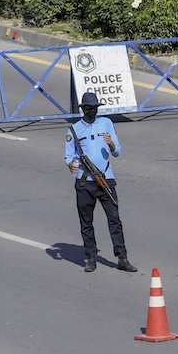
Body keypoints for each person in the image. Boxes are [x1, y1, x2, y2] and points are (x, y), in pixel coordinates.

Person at [64, 92, 137, 273]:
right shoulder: (74, 130)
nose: (93, 111)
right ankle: (90, 257)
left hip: (106, 179)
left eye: (95, 108)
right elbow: (68, 156)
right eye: (89, 108)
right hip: (85, 182)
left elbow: (117, 151)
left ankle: (122, 257)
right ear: (83, 110)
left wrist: (112, 144)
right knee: (86, 222)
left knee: (114, 219)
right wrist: (72, 164)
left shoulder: (106, 123)